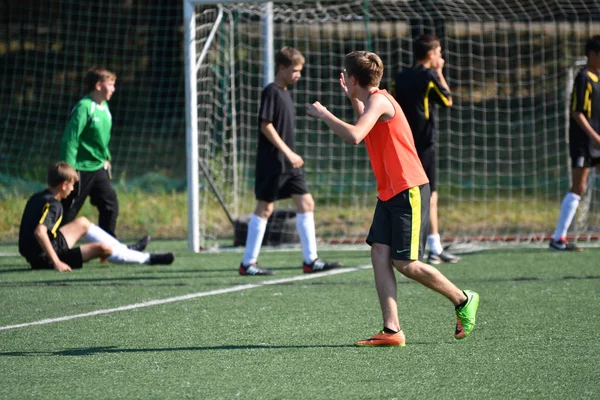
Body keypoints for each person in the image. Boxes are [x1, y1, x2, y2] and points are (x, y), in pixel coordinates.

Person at [307, 51, 479, 346]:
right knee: (379, 253)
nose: (344, 79)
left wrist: (324, 114)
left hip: (408, 188)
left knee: (405, 263)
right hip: (390, 191)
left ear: (352, 78)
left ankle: (463, 299)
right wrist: (351, 97)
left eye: (345, 75)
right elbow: (365, 120)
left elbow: (356, 135)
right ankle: (392, 330)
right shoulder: (372, 100)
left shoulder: (381, 100)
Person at [239, 46, 341, 276]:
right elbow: (266, 125)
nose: (299, 75)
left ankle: (311, 260)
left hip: (290, 165)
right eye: (295, 70)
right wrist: (288, 153)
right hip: (273, 162)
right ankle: (247, 264)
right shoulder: (271, 91)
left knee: (306, 204)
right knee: (265, 209)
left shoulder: (286, 92)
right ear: (282, 68)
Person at [18, 162, 174, 272]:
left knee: (83, 222)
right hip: (45, 257)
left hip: (37, 252)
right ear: (64, 185)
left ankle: (125, 249)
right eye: (72, 185)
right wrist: (56, 261)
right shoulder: (54, 205)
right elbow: (39, 232)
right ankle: (147, 258)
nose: (73, 189)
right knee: (103, 249)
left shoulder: (37, 197)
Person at [59, 67, 149, 251]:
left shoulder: (104, 107)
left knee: (110, 204)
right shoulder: (84, 107)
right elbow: (70, 138)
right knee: (68, 211)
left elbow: (100, 139)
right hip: (80, 169)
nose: (114, 89)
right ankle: (56, 247)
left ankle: (110, 248)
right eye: (111, 84)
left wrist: (107, 158)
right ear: (98, 85)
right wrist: (68, 169)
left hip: (98, 168)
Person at [391, 34, 459, 265]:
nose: (441, 57)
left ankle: (401, 242)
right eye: (439, 52)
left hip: (403, 143)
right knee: (430, 195)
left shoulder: (399, 78)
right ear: (431, 55)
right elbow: (447, 101)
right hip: (424, 144)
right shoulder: (429, 75)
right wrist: (439, 71)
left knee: (402, 193)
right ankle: (434, 248)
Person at [549, 35, 600, 252]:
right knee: (579, 186)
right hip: (584, 142)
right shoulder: (583, 78)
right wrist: (595, 137)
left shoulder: (598, 78)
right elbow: (577, 112)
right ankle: (558, 238)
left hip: (595, 141)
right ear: (592, 54)